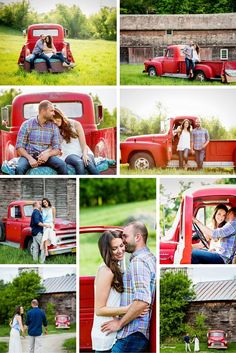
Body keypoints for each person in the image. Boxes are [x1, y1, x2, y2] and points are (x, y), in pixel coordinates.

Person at [101, 222, 156, 353]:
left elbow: (142, 302)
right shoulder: (150, 257)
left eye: (125, 236)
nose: (123, 241)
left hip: (132, 333)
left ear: (137, 237)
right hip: (134, 333)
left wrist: (119, 324)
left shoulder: (138, 262)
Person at [91, 230, 130, 353]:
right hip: (105, 333)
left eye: (121, 246)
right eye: (114, 248)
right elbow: (99, 309)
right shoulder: (106, 271)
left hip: (114, 331)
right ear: (107, 251)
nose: (120, 251)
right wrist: (129, 309)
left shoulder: (116, 267)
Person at [15, 100, 68, 175]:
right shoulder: (27, 124)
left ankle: (62, 186)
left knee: (62, 165)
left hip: (47, 156)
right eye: (51, 111)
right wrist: (30, 159)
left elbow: (57, 149)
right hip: (29, 156)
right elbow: (19, 147)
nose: (53, 113)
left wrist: (47, 155)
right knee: (19, 168)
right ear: (43, 111)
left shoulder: (53, 127)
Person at [52, 108, 99, 175]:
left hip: (83, 150)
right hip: (68, 153)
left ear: (61, 116)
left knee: (89, 163)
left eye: (56, 118)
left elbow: (83, 144)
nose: (55, 121)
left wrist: (85, 154)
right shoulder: (54, 128)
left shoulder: (75, 124)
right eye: (52, 120)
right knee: (79, 162)